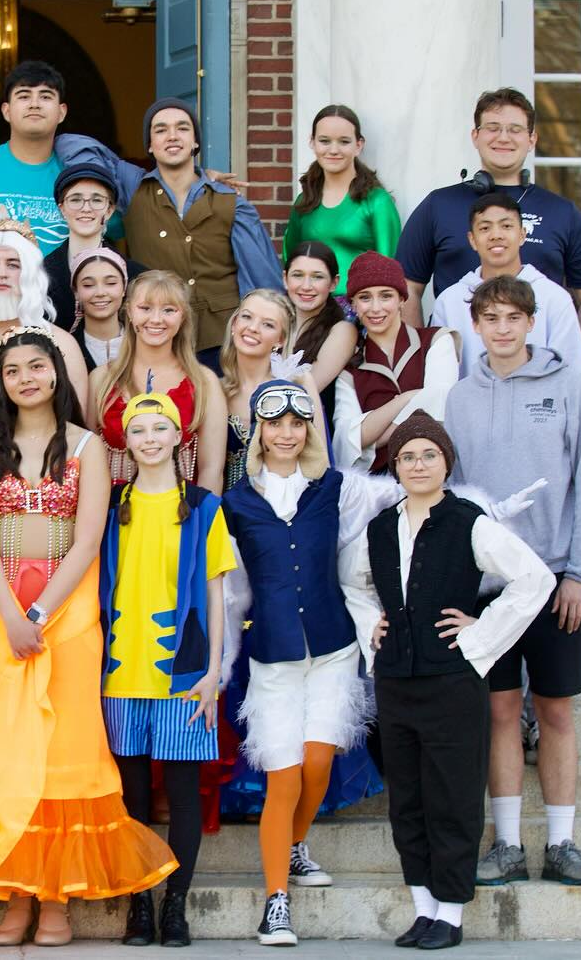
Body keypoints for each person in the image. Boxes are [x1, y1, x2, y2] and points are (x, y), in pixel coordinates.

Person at [0, 327, 176, 946]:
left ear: (58, 374)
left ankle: (57, 896)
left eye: (38, 367)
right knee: (7, 750)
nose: (26, 379)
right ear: (2, 382)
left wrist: (39, 615)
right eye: (14, 371)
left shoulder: (87, 446)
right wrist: (11, 616)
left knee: (64, 751)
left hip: (67, 612)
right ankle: (15, 895)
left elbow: (87, 539)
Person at [342, 411, 554, 951]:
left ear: (446, 462)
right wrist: (372, 626)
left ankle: (451, 913)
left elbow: (535, 579)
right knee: (408, 799)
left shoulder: (469, 522)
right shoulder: (379, 529)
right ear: (395, 465)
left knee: (452, 797)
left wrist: (481, 634)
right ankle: (423, 909)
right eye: (408, 456)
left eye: (429, 455)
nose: (418, 465)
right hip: (396, 681)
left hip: (453, 682)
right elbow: (354, 584)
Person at [219, 370, 407, 947]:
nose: (286, 432)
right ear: (258, 431)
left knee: (318, 764)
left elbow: (409, 493)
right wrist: (219, 663)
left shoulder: (336, 488)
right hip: (273, 657)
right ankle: (276, 903)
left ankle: (296, 844)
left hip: (331, 649)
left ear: (309, 430)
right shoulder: (236, 503)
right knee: (284, 776)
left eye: (296, 422)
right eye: (274, 422)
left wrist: (487, 512)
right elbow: (230, 590)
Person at [444, 274, 581, 891]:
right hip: (489, 586)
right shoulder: (460, 397)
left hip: (553, 577)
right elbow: (452, 494)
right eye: (491, 318)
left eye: (513, 317)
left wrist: (580, 574)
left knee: (556, 709)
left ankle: (561, 843)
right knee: (500, 710)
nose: (502, 328)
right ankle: (508, 844)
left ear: (531, 322)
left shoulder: (567, 385)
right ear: (476, 325)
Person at [99, 391, 236, 947]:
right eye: (139, 430)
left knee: (181, 795)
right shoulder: (111, 505)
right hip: (119, 673)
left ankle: (176, 904)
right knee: (132, 799)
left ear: (179, 437)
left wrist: (214, 671)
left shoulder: (203, 506)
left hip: (184, 674)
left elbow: (216, 593)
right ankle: (140, 903)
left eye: (160, 428)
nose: (150, 439)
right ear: (125, 441)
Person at [60, 97, 283, 370]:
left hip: (222, 345)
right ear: (149, 145)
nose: (173, 136)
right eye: (161, 130)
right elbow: (69, 144)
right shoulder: (132, 185)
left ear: (195, 142)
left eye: (182, 128)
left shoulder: (231, 203)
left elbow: (263, 285)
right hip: (155, 339)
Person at [396, 87, 581, 357]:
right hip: (459, 370)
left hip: (539, 373)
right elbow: (406, 287)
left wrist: (568, 363)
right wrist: (422, 362)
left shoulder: (561, 211)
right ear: (475, 136)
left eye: (515, 129)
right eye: (493, 128)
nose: (503, 137)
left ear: (531, 139)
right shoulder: (438, 205)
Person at [89, 270, 226, 491]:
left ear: (183, 316)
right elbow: (87, 465)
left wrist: (199, 514)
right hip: (114, 509)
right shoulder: (101, 379)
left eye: (168, 310)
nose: (155, 319)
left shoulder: (204, 382)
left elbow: (212, 469)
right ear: (129, 311)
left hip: (182, 508)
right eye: (145, 308)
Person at [430, 193, 581, 378]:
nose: (496, 235)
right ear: (472, 240)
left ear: (522, 235)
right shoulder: (449, 301)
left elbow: (573, 372)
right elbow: (440, 379)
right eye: (485, 228)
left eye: (506, 226)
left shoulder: (555, 298)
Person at [332, 252, 460, 473]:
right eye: (365, 297)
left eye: (386, 296)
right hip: (378, 486)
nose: (375, 308)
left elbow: (442, 403)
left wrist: (373, 437)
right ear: (353, 304)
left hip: (434, 475)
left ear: (402, 299)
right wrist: (407, 399)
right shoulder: (350, 373)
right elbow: (347, 440)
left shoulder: (437, 341)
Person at [0, 219, 88, 427]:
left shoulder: (61, 344)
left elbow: (76, 429)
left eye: (13, 265)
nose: (1, 273)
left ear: (29, 275)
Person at [0, 60, 72, 254]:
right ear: (6, 111)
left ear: (61, 112)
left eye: (45, 96)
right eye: (24, 96)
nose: (34, 104)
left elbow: (109, 230)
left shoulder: (75, 173)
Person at [282, 106, 402, 293]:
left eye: (344, 141)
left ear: (358, 145)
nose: (334, 150)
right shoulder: (304, 201)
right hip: (310, 302)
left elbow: (389, 268)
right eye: (324, 141)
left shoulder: (377, 201)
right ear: (312, 142)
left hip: (360, 304)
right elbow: (290, 259)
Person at [218, 289, 296, 490]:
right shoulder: (215, 390)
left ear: (280, 340)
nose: (253, 328)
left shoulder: (294, 386)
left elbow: (320, 460)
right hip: (226, 505)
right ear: (234, 324)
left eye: (268, 324)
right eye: (246, 317)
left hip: (284, 504)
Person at [44, 162, 131, 330]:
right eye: (75, 200)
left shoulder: (135, 275)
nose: (86, 208)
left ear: (109, 210)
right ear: (62, 209)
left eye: (96, 200)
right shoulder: (39, 274)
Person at [284, 240, 358, 425]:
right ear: (285, 279)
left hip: (311, 430)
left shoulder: (342, 331)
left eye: (317, 277)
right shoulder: (273, 321)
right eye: (297, 275)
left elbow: (304, 392)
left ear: (334, 283)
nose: (306, 286)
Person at [69, 247, 138, 371]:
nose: (100, 293)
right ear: (76, 292)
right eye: (88, 285)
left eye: (111, 283)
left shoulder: (143, 342)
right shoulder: (64, 348)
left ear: (124, 288)